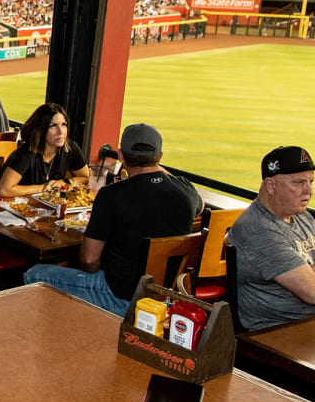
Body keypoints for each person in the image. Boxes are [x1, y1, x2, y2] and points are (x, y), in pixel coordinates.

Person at [23, 124, 202, 315]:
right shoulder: (187, 191)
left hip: (119, 298)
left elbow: (89, 260)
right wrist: (157, 169)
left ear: (121, 156)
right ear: (160, 157)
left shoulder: (111, 196)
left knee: (35, 274)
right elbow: (199, 206)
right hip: (166, 299)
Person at [231, 146, 315, 331]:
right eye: (299, 183)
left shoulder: (301, 216)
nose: (309, 190)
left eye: (311, 181)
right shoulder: (258, 230)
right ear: (271, 186)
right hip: (285, 331)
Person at [0, 103, 90, 198]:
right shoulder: (27, 153)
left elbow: (85, 177)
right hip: (16, 207)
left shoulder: (70, 148)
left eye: (64, 124)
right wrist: (43, 188)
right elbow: (3, 190)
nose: (61, 131)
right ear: (41, 129)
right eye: (53, 126)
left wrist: (65, 182)